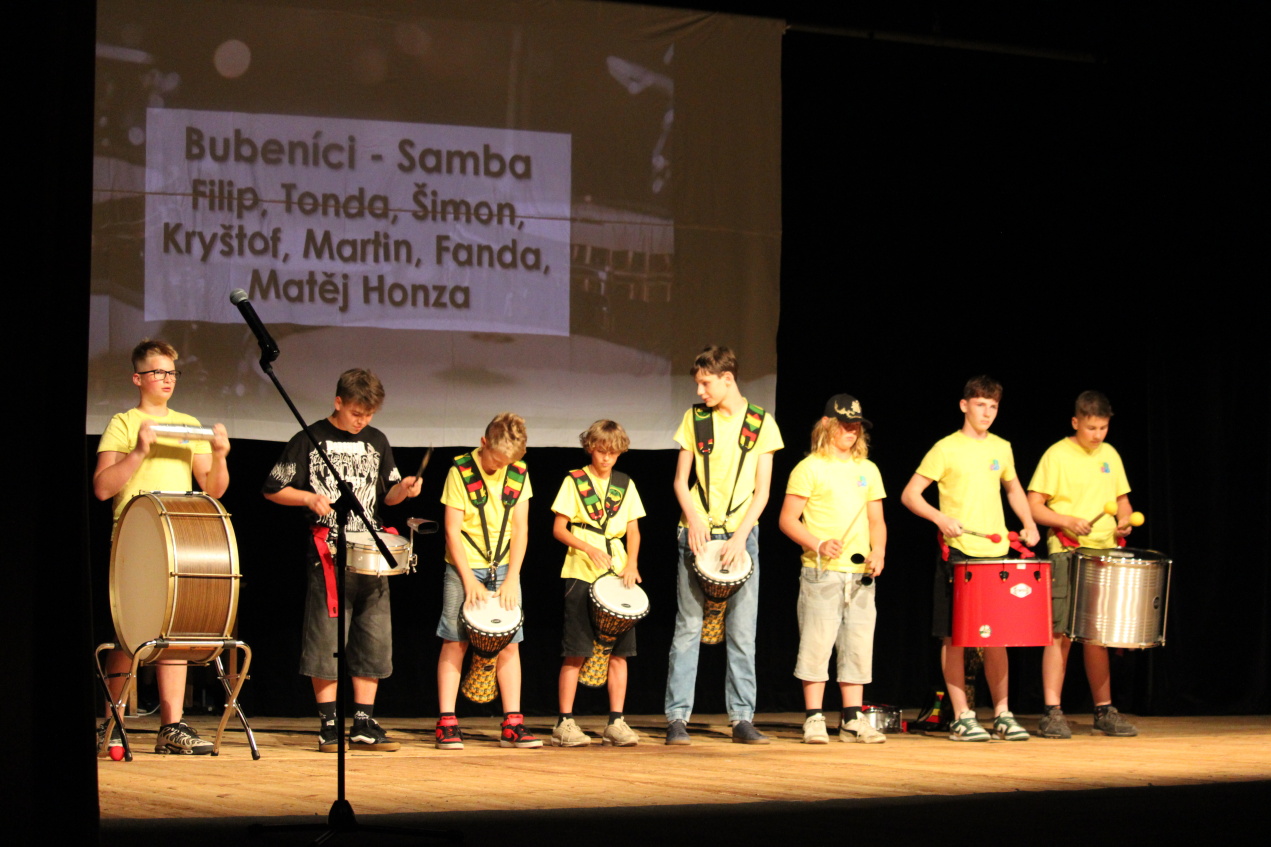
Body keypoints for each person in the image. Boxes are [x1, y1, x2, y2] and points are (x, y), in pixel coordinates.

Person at [262, 368, 421, 753]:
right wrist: (307, 497)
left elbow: (389, 497)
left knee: (374, 637)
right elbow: (272, 488)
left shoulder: (377, 440)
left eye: (368, 415)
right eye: (355, 413)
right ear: (338, 402)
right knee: (326, 639)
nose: (362, 421)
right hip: (329, 553)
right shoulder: (309, 438)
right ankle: (329, 724)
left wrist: (404, 489)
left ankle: (363, 722)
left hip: (371, 554)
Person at [93, 339, 230, 755]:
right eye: (158, 372)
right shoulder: (123, 422)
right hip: (134, 538)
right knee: (129, 633)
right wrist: (139, 450)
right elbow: (102, 487)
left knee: (175, 630)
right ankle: (113, 722)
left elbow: (214, 489)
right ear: (138, 378)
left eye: (172, 373)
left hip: (178, 539)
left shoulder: (189, 425)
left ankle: (171, 727)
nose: (167, 379)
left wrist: (220, 456)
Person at [900, 375, 1040, 742]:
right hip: (960, 554)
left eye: (993, 406)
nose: (987, 412)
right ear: (964, 406)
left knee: (998, 637)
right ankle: (962, 715)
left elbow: (1014, 489)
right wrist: (940, 518)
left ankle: (1003, 713)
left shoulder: (1002, 447)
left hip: (996, 555)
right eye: (980, 405)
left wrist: (1028, 523)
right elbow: (911, 494)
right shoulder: (945, 448)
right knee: (955, 637)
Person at [665, 346, 783, 745]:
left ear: (727, 378)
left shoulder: (761, 423)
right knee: (688, 627)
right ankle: (677, 717)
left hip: (741, 535)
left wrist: (739, 536)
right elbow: (681, 481)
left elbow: (763, 491)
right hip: (697, 532)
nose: (700, 391)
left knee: (742, 631)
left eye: (706, 383)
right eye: (698, 384)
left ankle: (742, 718)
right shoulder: (696, 419)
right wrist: (694, 519)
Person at [1027, 390, 1139, 738]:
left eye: (1103, 428)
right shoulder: (1057, 455)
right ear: (1076, 422)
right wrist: (1066, 520)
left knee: (1097, 636)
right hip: (1067, 550)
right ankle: (1052, 711)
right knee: (1059, 633)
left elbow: (1122, 500)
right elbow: (1034, 505)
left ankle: (1104, 710)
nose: (1097, 435)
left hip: (1104, 553)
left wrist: (1124, 520)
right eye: (1091, 428)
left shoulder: (1110, 454)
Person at [778, 395, 888, 744]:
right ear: (827, 424)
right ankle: (814, 717)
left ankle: (852, 718)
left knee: (857, 645)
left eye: (857, 425)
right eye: (845, 424)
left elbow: (876, 520)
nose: (852, 430)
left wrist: (879, 550)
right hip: (822, 573)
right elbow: (787, 520)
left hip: (859, 575)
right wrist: (819, 543)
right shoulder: (809, 468)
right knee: (817, 644)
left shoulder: (868, 469)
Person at [435, 413, 540, 750]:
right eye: (497, 460)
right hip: (464, 567)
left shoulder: (518, 472)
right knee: (455, 640)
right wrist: (468, 580)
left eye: (509, 461)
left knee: (510, 643)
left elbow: (521, 530)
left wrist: (513, 578)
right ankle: (447, 722)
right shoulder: (460, 471)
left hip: (505, 568)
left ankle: (512, 722)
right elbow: (452, 530)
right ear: (484, 444)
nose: (502, 466)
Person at [550, 420, 646, 747]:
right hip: (580, 570)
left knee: (620, 652)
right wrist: (588, 548)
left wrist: (631, 563)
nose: (606, 458)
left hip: (617, 573)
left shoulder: (624, 483)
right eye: (601, 451)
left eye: (613, 453)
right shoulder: (575, 481)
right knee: (576, 649)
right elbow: (559, 529)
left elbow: (633, 530)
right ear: (590, 448)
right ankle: (565, 722)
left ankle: (616, 722)